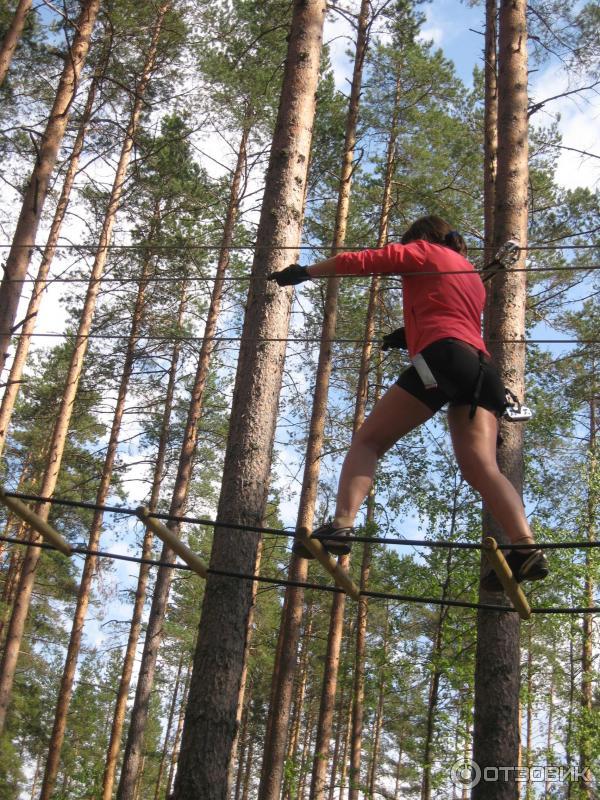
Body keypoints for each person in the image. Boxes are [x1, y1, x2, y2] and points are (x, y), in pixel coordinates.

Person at [269, 215, 548, 591]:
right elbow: (450, 312)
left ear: (421, 237)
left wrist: (307, 271)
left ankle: (341, 525)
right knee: (483, 467)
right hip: (482, 370)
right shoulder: (466, 271)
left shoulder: (422, 251)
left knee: (369, 441)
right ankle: (525, 547)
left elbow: (363, 261)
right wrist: (410, 333)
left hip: (445, 358)